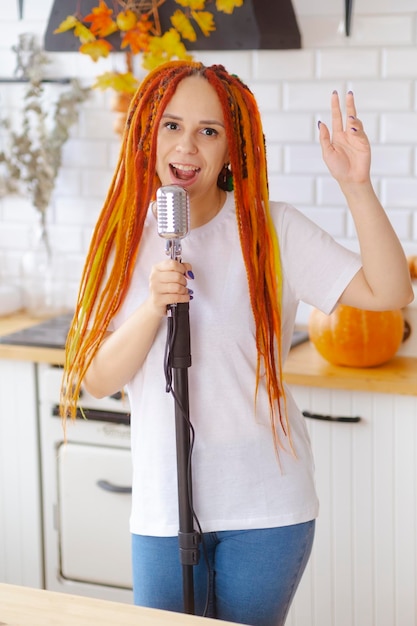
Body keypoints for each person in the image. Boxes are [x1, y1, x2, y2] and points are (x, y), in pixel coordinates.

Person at [60, 61, 413, 626]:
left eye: (209, 130)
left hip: (268, 508)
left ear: (233, 147)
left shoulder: (271, 230)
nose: (188, 145)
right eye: (172, 125)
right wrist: (153, 306)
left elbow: (391, 292)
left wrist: (356, 185)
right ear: (146, 132)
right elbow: (96, 380)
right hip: (163, 509)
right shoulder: (122, 243)